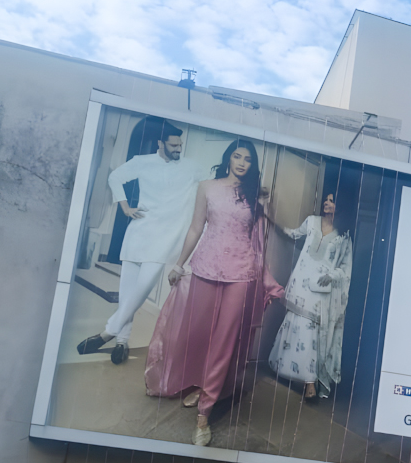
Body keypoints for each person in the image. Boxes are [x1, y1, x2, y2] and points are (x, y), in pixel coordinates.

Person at [144, 139, 283, 446]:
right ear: (228, 158)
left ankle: (204, 415)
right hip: (206, 267)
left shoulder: (254, 196)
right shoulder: (207, 187)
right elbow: (196, 228)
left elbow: (259, 241)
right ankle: (199, 383)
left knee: (224, 342)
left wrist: (266, 279)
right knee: (198, 334)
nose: (242, 163)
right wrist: (179, 264)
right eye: (237, 156)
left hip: (241, 274)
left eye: (248, 159)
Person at [77, 121, 203, 364]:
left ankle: (107, 333)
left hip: (165, 239)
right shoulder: (142, 162)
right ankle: (121, 342)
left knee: (141, 290)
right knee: (128, 294)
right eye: (173, 145)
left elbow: (214, 184)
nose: (178, 149)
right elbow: (115, 177)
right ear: (160, 143)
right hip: (138, 234)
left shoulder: (191, 168)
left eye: (180, 145)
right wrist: (125, 207)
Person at [268, 190, 353, 402]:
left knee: (310, 332)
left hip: (320, 291)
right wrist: (271, 218)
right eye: (326, 199)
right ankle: (283, 368)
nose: (326, 202)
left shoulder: (344, 236)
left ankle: (309, 382)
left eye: (332, 201)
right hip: (301, 285)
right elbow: (293, 234)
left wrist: (332, 275)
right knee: (294, 324)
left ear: (340, 206)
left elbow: (345, 268)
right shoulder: (312, 221)